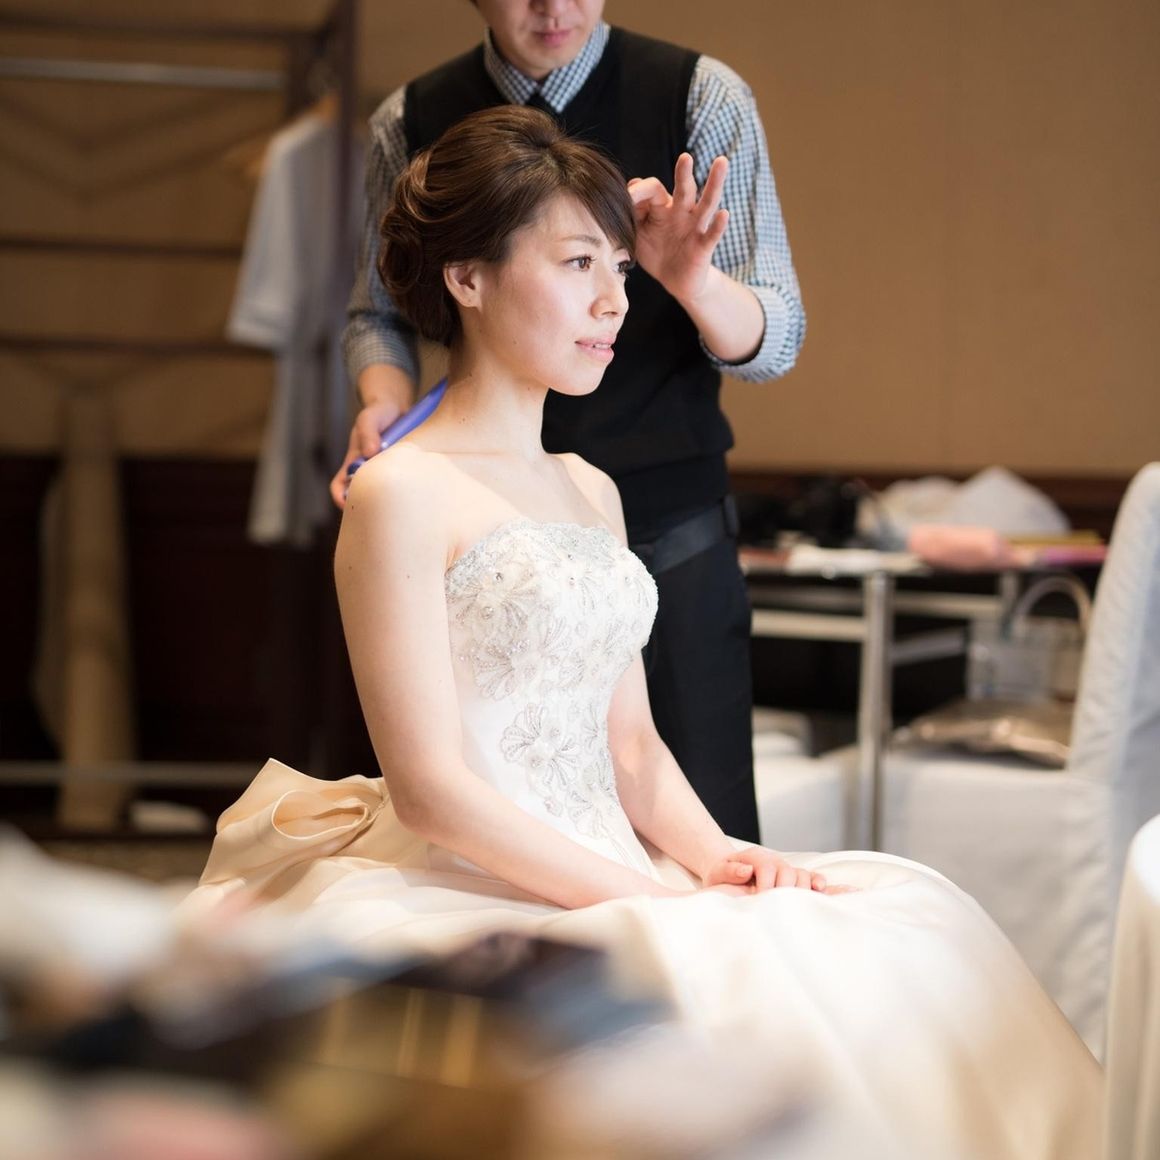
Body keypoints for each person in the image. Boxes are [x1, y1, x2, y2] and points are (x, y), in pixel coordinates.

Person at [192, 108, 1099, 1157]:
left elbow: (629, 745)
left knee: (904, 932)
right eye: (578, 262)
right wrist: (636, 899)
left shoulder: (592, 486)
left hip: (622, 865)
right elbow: (430, 790)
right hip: (469, 878)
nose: (614, 301)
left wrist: (718, 859)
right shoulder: (400, 490)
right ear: (468, 278)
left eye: (619, 268)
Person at [334, 0, 809, 843]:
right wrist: (384, 406)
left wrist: (690, 280)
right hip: (470, 515)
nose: (554, 6)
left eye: (616, 267)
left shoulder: (702, 95)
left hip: (662, 518)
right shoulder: (407, 121)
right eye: (580, 262)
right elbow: (380, 309)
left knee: (710, 810)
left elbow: (776, 341)